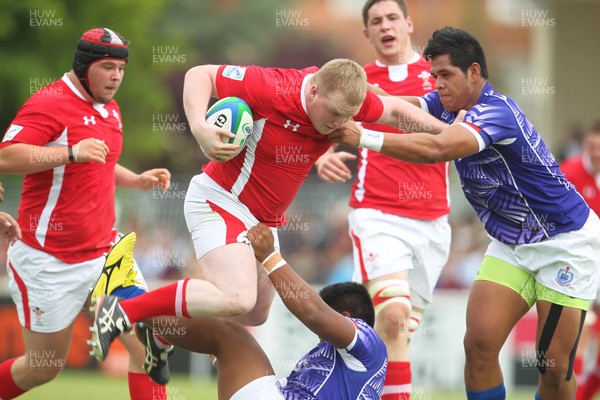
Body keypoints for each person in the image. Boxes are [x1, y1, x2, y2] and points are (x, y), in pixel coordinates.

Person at [87, 57, 450, 362]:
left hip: (261, 220)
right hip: (219, 199)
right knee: (237, 297)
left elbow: (398, 111)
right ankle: (123, 307)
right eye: (337, 114)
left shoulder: (345, 101)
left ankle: (162, 332)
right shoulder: (273, 87)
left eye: (348, 117)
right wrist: (199, 127)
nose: (342, 125)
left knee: (256, 312)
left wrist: (455, 133)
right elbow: (200, 75)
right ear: (313, 90)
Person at [329, 27, 600, 400]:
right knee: (478, 344)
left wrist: (362, 137)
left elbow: (438, 148)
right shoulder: (447, 106)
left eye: (446, 75)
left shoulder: (497, 111)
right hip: (510, 244)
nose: (437, 84)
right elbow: (392, 107)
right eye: (434, 76)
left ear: (474, 72)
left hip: (564, 243)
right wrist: (339, 96)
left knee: (551, 367)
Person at [0, 28, 172, 399]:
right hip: (48, 259)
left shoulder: (109, 107)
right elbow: (7, 156)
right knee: (42, 368)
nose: (116, 77)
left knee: (148, 347)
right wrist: (70, 152)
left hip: (105, 254)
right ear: (83, 67)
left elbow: (101, 163)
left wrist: (137, 179)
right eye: (107, 67)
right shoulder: (49, 102)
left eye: (121, 69)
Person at [315, 2, 450, 398]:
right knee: (393, 317)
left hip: (434, 223)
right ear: (366, 34)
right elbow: (316, 120)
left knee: (396, 334)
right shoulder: (356, 81)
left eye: (392, 18)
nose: (385, 26)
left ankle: (333, 383)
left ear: (409, 24)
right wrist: (321, 154)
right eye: (376, 21)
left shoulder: (438, 78)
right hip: (377, 215)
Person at [95, 223, 389, 399]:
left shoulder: (368, 343)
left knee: (230, 335)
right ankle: (156, 335)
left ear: (348, 319)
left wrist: (271, 257)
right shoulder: (352, 372)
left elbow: (313, 312)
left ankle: (125, 297)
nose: (319, 337)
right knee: (223, 333)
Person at [560, 122, 600, 400]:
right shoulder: (570, 172)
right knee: (578, 335)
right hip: (573, 263)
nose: (596, 153)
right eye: (591, 147)